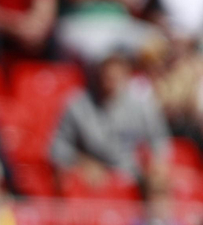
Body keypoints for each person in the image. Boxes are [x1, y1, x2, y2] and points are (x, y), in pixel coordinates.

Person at [50, 53, 171, 183]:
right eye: (107, 76)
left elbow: (159, 139)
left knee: (160, 182)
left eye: (116, 77)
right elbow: (58, 147)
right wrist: (83, 163)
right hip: (91, 177)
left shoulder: (141, 106)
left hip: (132, 175)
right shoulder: (78, 105)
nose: (111, 82)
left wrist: (156, 162)